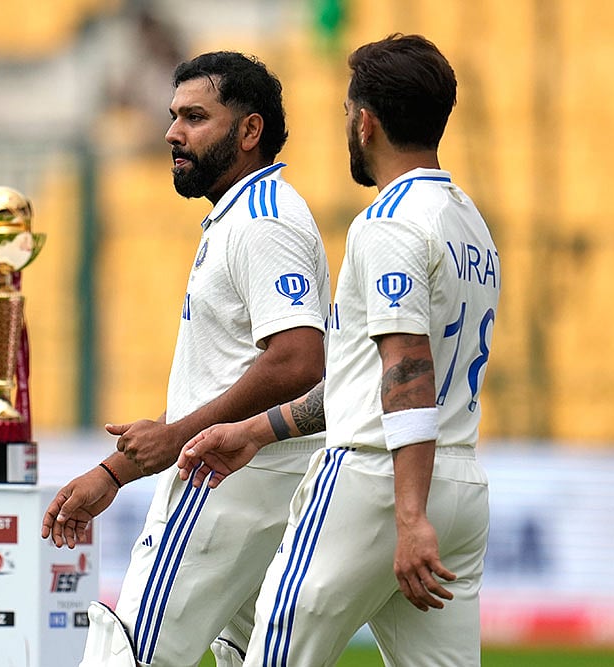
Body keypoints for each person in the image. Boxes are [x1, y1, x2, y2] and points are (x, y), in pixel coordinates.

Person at [178, 34, 500, 667]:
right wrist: (256, 430)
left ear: (364, 121)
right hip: (459, 479)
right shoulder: (470, 222)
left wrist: (408, 514)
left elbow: (407, 366)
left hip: (377, 480)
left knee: (271, 655)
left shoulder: (389, 222)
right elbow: (367, 378)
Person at [42, 51, 331, 667]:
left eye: (195, 117)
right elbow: (245, 366)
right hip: (264, 482)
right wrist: (118, 469)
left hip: (224, 476)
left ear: (249, 131)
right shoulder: (246, 215)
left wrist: (175, 436)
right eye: (174, 116)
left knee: (130, 655)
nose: (172, 132)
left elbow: (300, 360)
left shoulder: (262, 220)